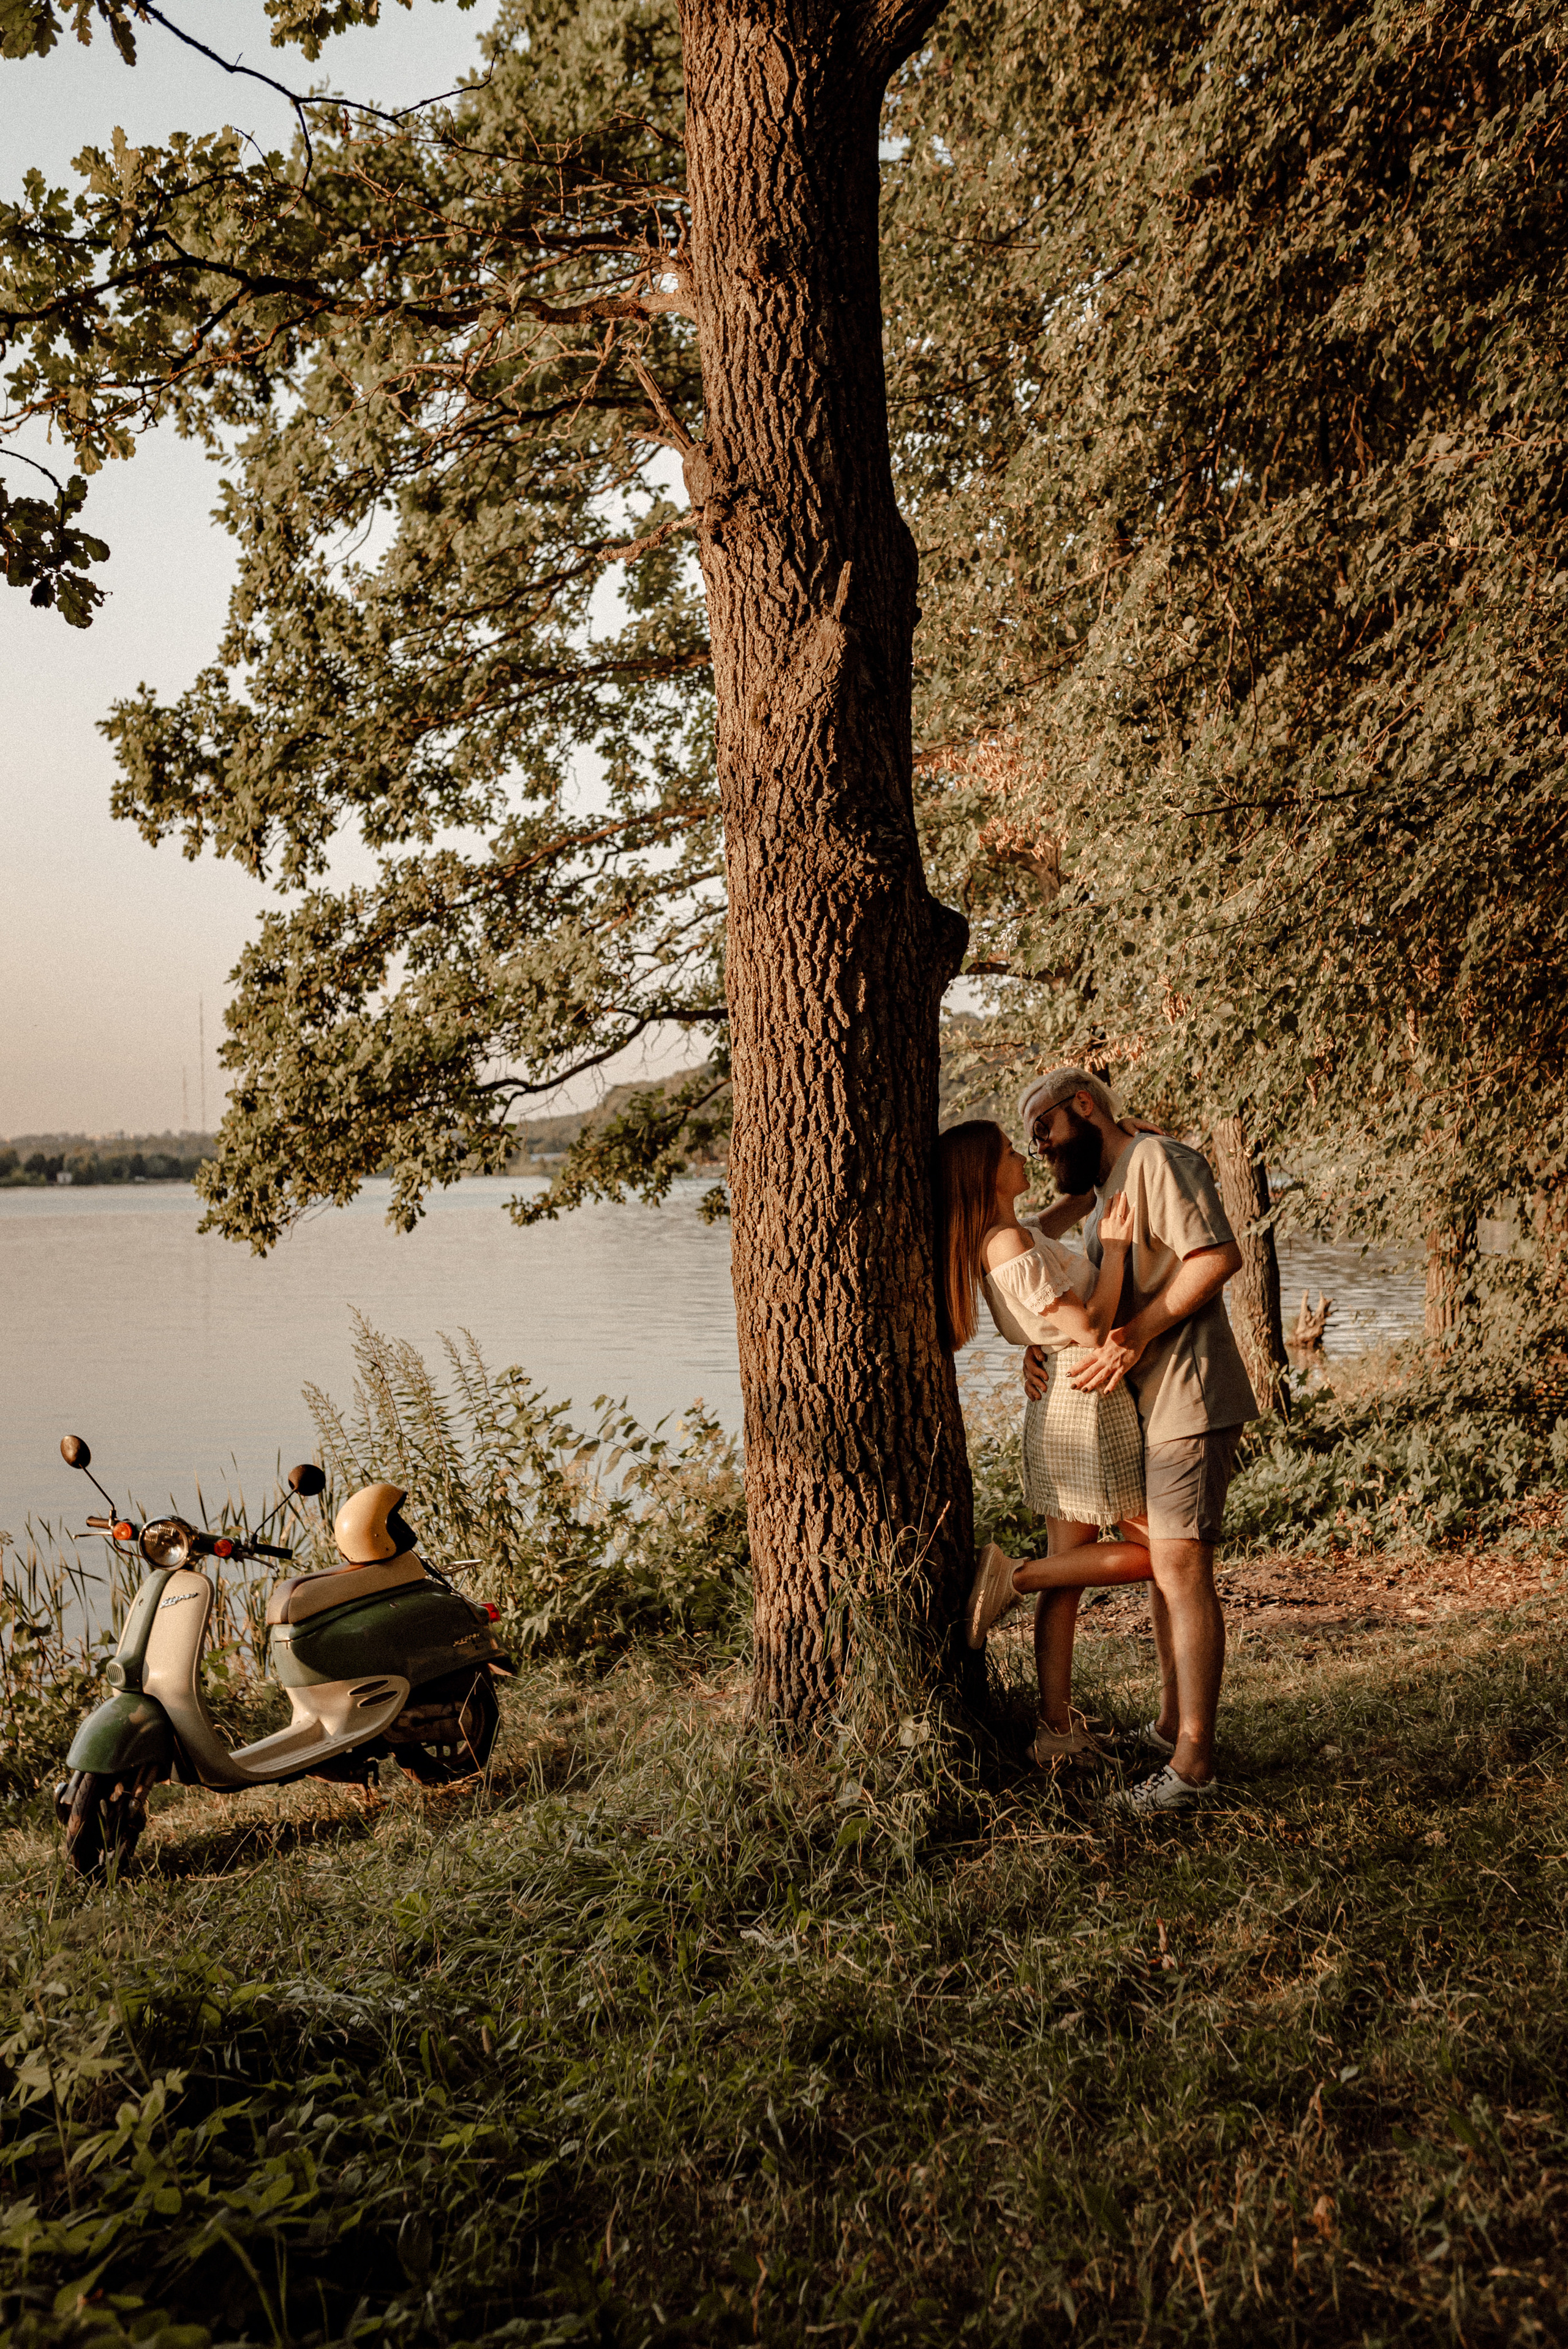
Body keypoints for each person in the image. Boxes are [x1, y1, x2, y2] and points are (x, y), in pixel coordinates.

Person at [1019, 1067, 1256, 1815]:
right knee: (1165, 1572)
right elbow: (1074, 1286)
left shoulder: (1159, 1161)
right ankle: (1169, 1728)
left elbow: (1217, 1259)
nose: (1044, 1153)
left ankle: (1193, 1768)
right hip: (1143, 1408)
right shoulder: (1107, 1190)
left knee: (1180, 1571)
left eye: (1046, 1134)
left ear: (1083, 1107)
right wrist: (1042, 1344)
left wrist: (1134, 1337)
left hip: (1187, 1393)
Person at [935, 1120, 1156, 1769]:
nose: (1022, 1153)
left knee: (1071, 1576)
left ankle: (1055, 1732)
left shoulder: (1014, 1232)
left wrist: (1122, 1140)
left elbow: (1081, 1201)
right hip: (1083, 1399)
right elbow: (1088, 1327)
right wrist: (1113, 1253)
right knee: (1157, 1554)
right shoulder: (1004, 1242)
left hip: (1062, 1389)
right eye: (1009, 1151)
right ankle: (1014, 1577)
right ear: (984, 1175)